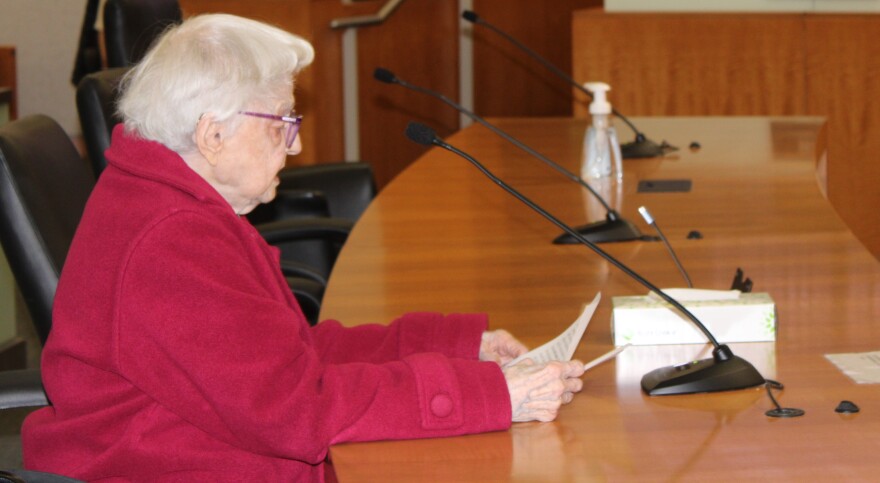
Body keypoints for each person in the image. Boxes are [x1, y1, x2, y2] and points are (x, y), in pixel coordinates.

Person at [23, 14, 585, 481]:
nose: (294, 145)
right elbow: (297, 409)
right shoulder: (170, 241)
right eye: (280, 125)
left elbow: (289, 355)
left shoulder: (173, 200)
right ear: (211, 135)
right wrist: (488, 397)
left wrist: (461, 345)